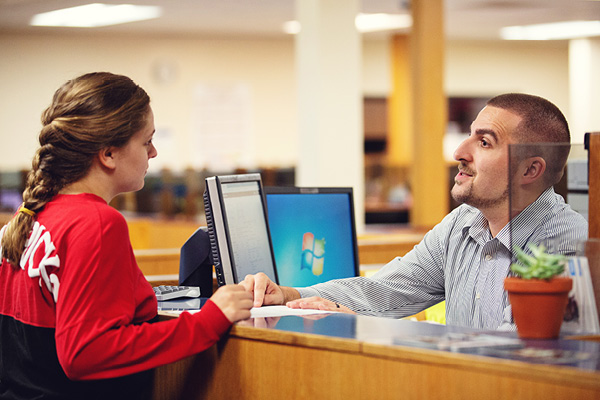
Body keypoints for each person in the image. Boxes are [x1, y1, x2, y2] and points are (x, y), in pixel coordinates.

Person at [0, 72, 253, 399]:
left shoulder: (30, 218)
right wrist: (209, 321)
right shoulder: (97, 222)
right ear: (108, 153)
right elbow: (86, 353)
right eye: (146, 141)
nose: (154, 152)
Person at [242, 93, 588, 330]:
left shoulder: (566, 243)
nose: (458, 151)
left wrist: (364, 325)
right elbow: (383, 290)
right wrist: (290, 295)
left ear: (531, 170)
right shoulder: (462, 225)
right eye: (469, 136)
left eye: (484, 142)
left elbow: (513, 353)